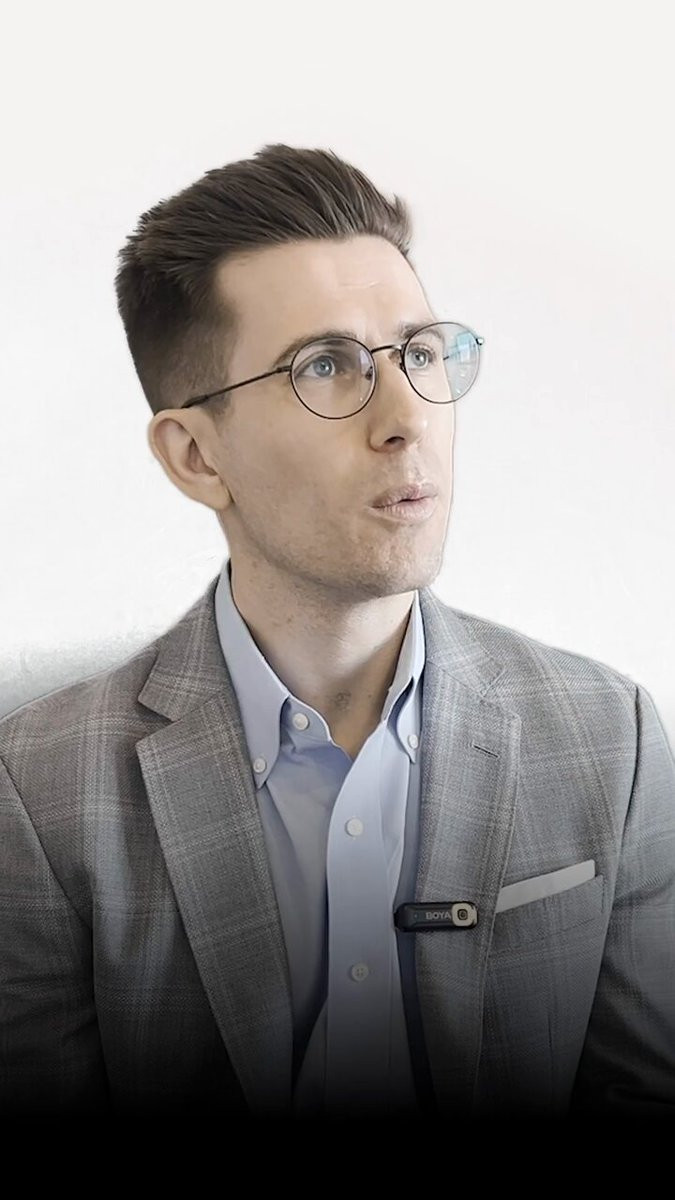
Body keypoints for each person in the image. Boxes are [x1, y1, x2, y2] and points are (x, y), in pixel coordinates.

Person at [1, 143, 674, 1122]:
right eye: (326, 366)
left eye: (420, 354)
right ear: (195, 457)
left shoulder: (611, 739)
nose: (408, 418)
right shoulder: (39, 791)